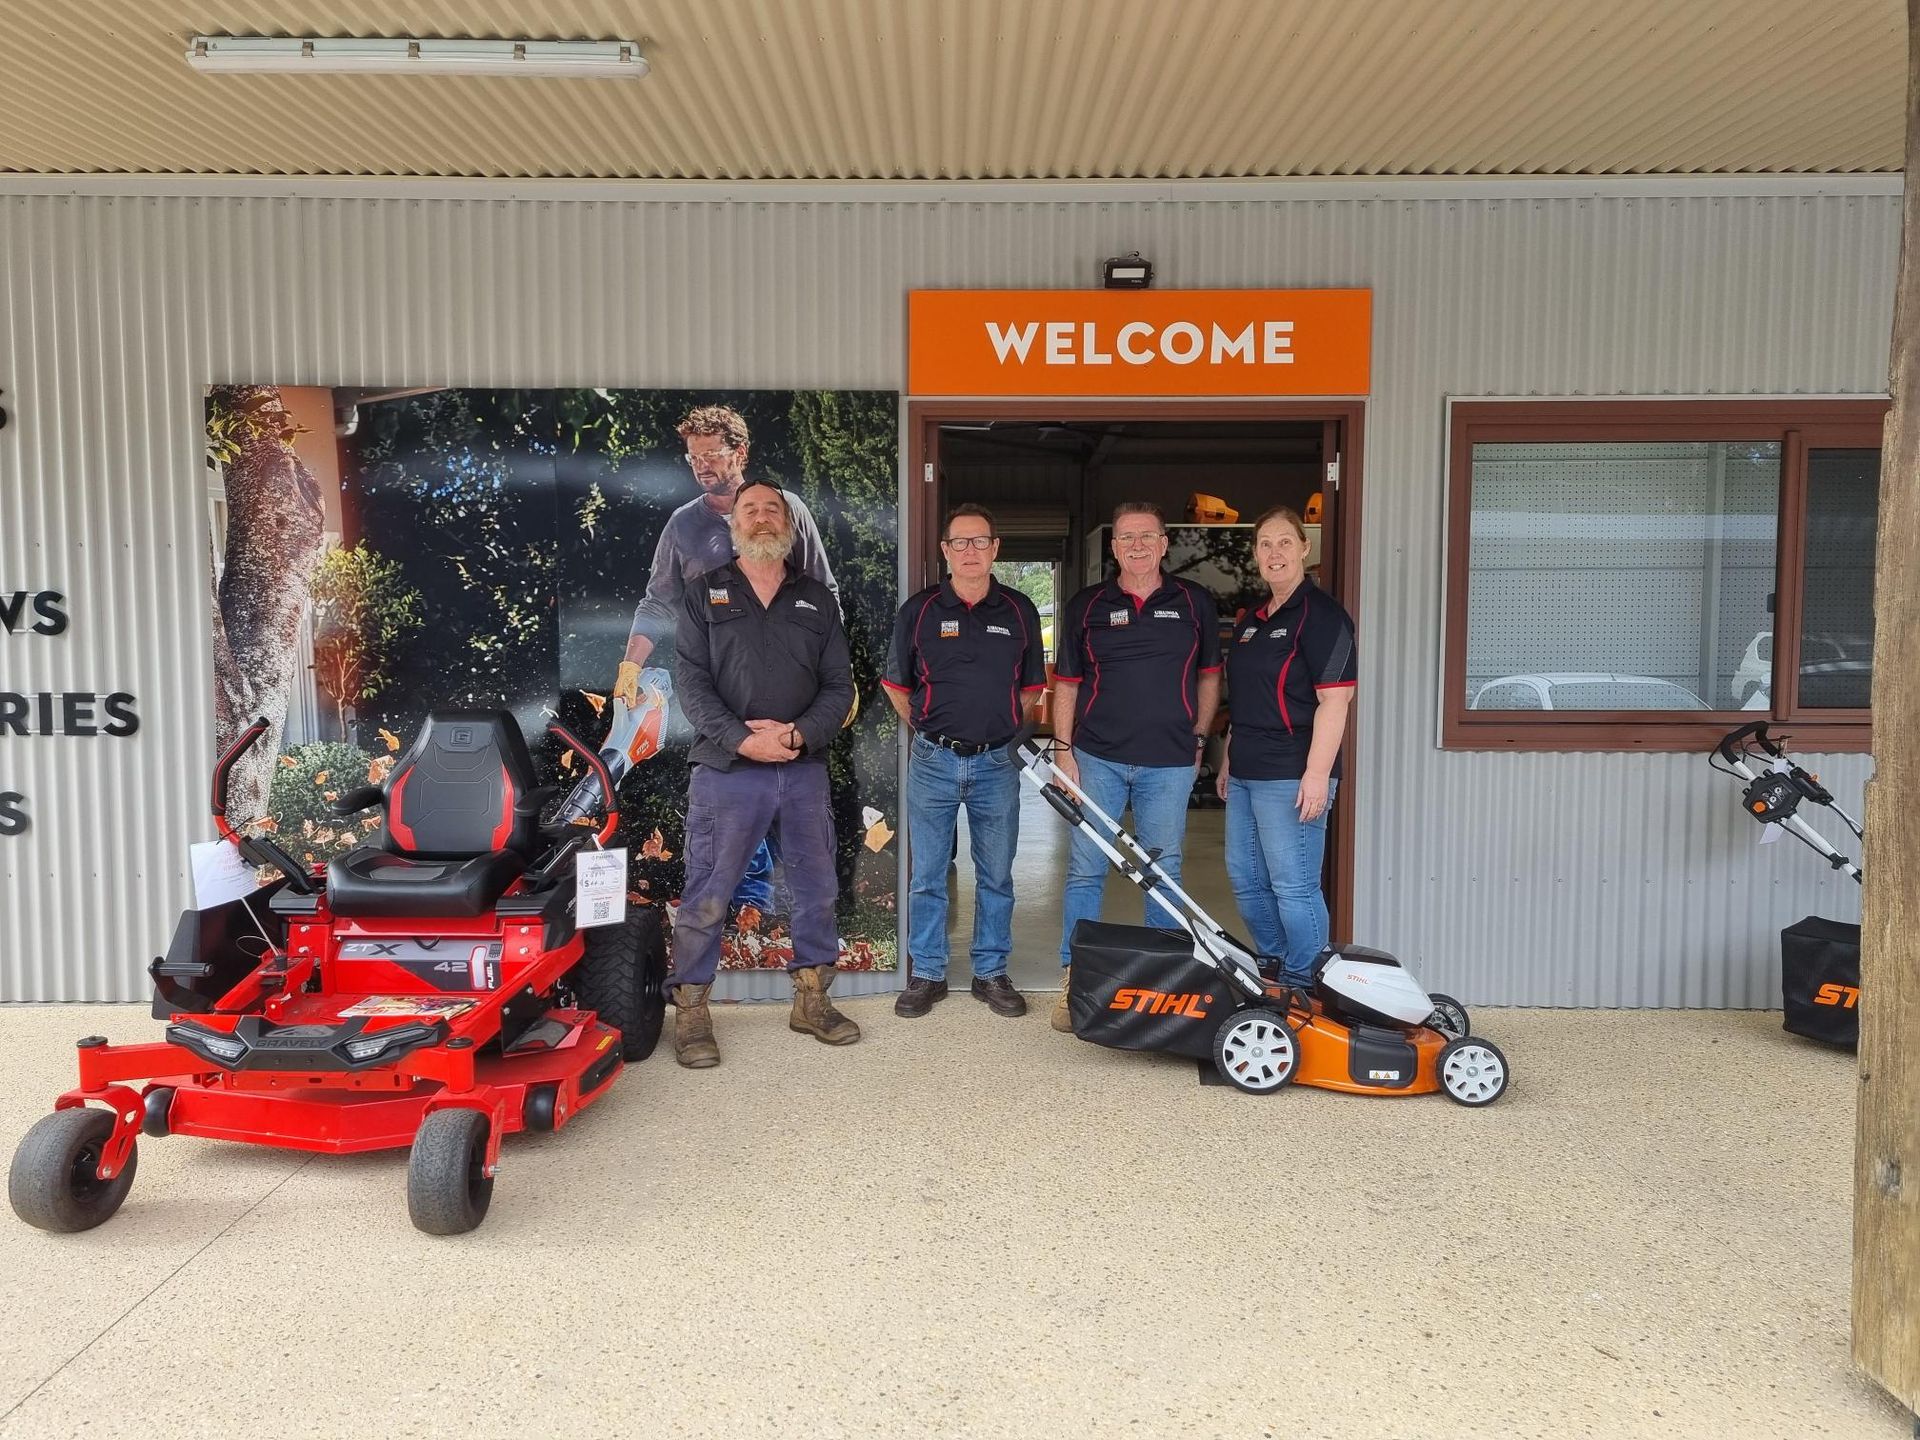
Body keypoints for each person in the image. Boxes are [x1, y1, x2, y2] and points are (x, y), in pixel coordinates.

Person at [610, 405, 839, 918]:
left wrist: (833, 678)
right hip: (719, 693)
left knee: (791, 813)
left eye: (712, 454)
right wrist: (631, 667)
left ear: (741, 453)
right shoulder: (683, 525)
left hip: (792, 693)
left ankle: (779, 918)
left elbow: (825, 594)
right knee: (733, 809)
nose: (701, 466)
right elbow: (657, 603)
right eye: (693, 457)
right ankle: (747, 917)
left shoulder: (786, 510)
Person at [666, 480, 859, 1067]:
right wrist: (744, 739)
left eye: (772, 509)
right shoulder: (703, 595)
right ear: (735, 527)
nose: (761, 517)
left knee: (816, 888)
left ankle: (812, 1002)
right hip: (726, 769)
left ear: (789, 525)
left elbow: (839, 686)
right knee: (708, 892)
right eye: (749, 509)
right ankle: (692, 1014)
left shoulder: (817, 599)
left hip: (802, 768)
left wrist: (797, 735)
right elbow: (691, 684)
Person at [1050, 501, 1221, 1032]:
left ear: (1164, 543)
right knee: (1086, 868)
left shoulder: (1194, 603)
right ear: (1114, 547)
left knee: (1163, 873)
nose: (1137, 545)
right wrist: (1062, 750)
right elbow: (1068, 683)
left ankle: (1161, 987)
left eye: (1147, 536)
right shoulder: (1088, 605)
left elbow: (1209, 676)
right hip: (1096, 757)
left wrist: (1199, 737)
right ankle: (1074, 980)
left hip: (1168, 763)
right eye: (1127, 537)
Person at [883, 504, 1047, 1020]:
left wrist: (1001, 731)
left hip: (997, 763)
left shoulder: (1019, 609)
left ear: (995, 549)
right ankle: (928, 973)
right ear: (945, 550)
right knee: (928, 875)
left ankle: (991, 972)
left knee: (996, 875)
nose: (970, 551)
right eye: (960, 542)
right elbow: (896, 684)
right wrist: (929, 729)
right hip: (932, 760)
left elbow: (1032, 689)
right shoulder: (920, 611)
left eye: (980, 541)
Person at [1215, 505, 1356, 988]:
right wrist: (1228, 760)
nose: (1274, 553)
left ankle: (1310, 981)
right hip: (1247, 770)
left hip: (1293, 772)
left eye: (1284, 542)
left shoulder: (1323, 617)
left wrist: (1317, 775)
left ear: (1303, 548)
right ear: (1256, 554)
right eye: (1265, 544)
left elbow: (1335, 701)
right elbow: (1246, 698)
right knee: (1247, 881)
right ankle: (1277, 970)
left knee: (1293, 886)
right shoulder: (1253, 619)